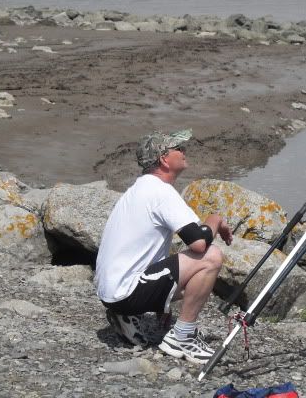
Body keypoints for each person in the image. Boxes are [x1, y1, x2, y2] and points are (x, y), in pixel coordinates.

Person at [95, 129, 232, 364]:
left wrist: (162, 303)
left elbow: (148, 253)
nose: (184, 151)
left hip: (111, 292)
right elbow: (198, 243)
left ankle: (126, 315)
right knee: (211, 257)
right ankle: (183, 337)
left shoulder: (137, 190)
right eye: (178, 148)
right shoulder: (160, 192)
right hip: (126, 292)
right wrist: (215, 219)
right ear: (163, 159)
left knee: (188, 263)